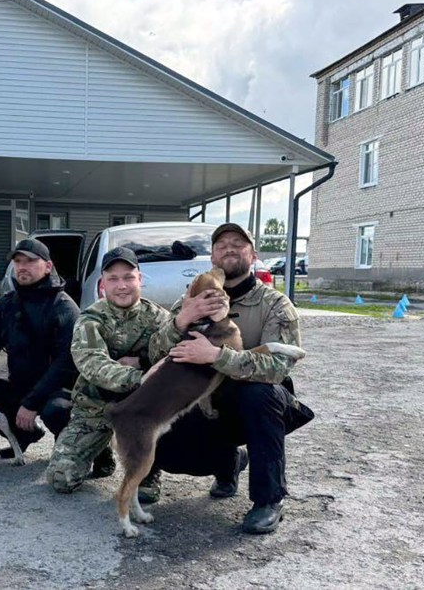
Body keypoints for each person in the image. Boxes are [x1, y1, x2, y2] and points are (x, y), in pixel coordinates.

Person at [148, 222, 312, 534]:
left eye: (239, 243)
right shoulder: (191, 300)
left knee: (261, 395)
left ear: (254, 255)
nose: (229, 248)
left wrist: (216, 356)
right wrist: (182, 318)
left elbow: (278, 367)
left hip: (250, 406)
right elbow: (155, 354)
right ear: (212, 256)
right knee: (170, 447)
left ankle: (269, 499)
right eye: (221, 244)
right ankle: (230, 463)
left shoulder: (275, 304)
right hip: (203, 402)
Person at [47, 246, 173, 499]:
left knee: (146, 489)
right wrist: (139, 376)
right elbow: (92, 363)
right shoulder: (90, 318)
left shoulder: (160, 319)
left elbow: (173, 357)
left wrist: (139, 361)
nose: (122, 285)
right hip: (96, 407)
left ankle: (150, 472)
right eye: (113, 279)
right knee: (61, 478)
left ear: (140, 279)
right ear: (103, 284)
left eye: (128, 277)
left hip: (141, 411)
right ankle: (101, 446)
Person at [0, 238, 79, 458]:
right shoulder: (7, 304)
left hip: (57, 390)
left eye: (30, 261)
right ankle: (22, 436)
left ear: (48, 266)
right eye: (18, 261)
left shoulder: (65, 308)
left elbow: (65, 365)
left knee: (56, 411)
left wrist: (31, 403)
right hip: (20, 386)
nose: (22, 267)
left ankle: (72, 449)